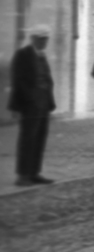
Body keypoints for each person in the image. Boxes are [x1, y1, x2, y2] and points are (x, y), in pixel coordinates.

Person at [9, 24, 56, 186]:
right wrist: (26, 101)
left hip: (43, 104)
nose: (44, 42)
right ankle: (23, 175)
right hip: (29, 105)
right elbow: (18, 81)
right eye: (41, 39)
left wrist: (49, 102)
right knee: (27, 139)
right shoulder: (22, 54)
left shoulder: (42, 56)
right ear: (33, 38)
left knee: (40, 138)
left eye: (46, 39)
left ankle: (35, 172)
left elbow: (48, 80)